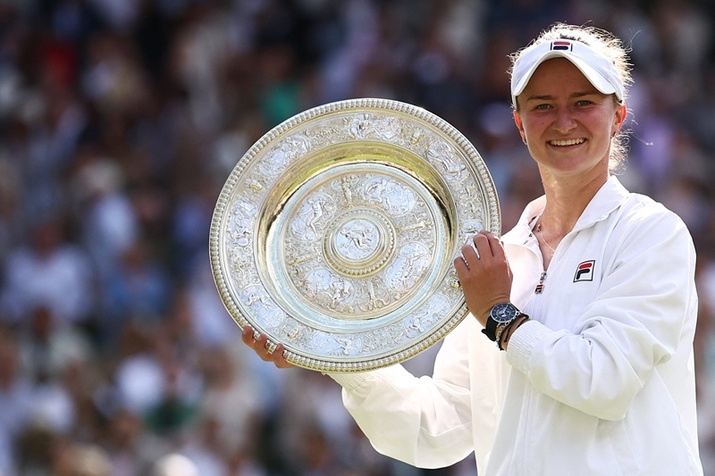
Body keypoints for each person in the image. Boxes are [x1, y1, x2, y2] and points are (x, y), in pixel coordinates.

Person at [241, 23, 703, 475]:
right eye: (543, 106)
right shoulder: (495, 261)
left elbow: (604, 381)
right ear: (520, 124)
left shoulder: (651, 234)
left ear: (617, 115)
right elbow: (434, 430)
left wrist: (500, 316)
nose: (564, 121)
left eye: (583, 103)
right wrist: (335, 350)